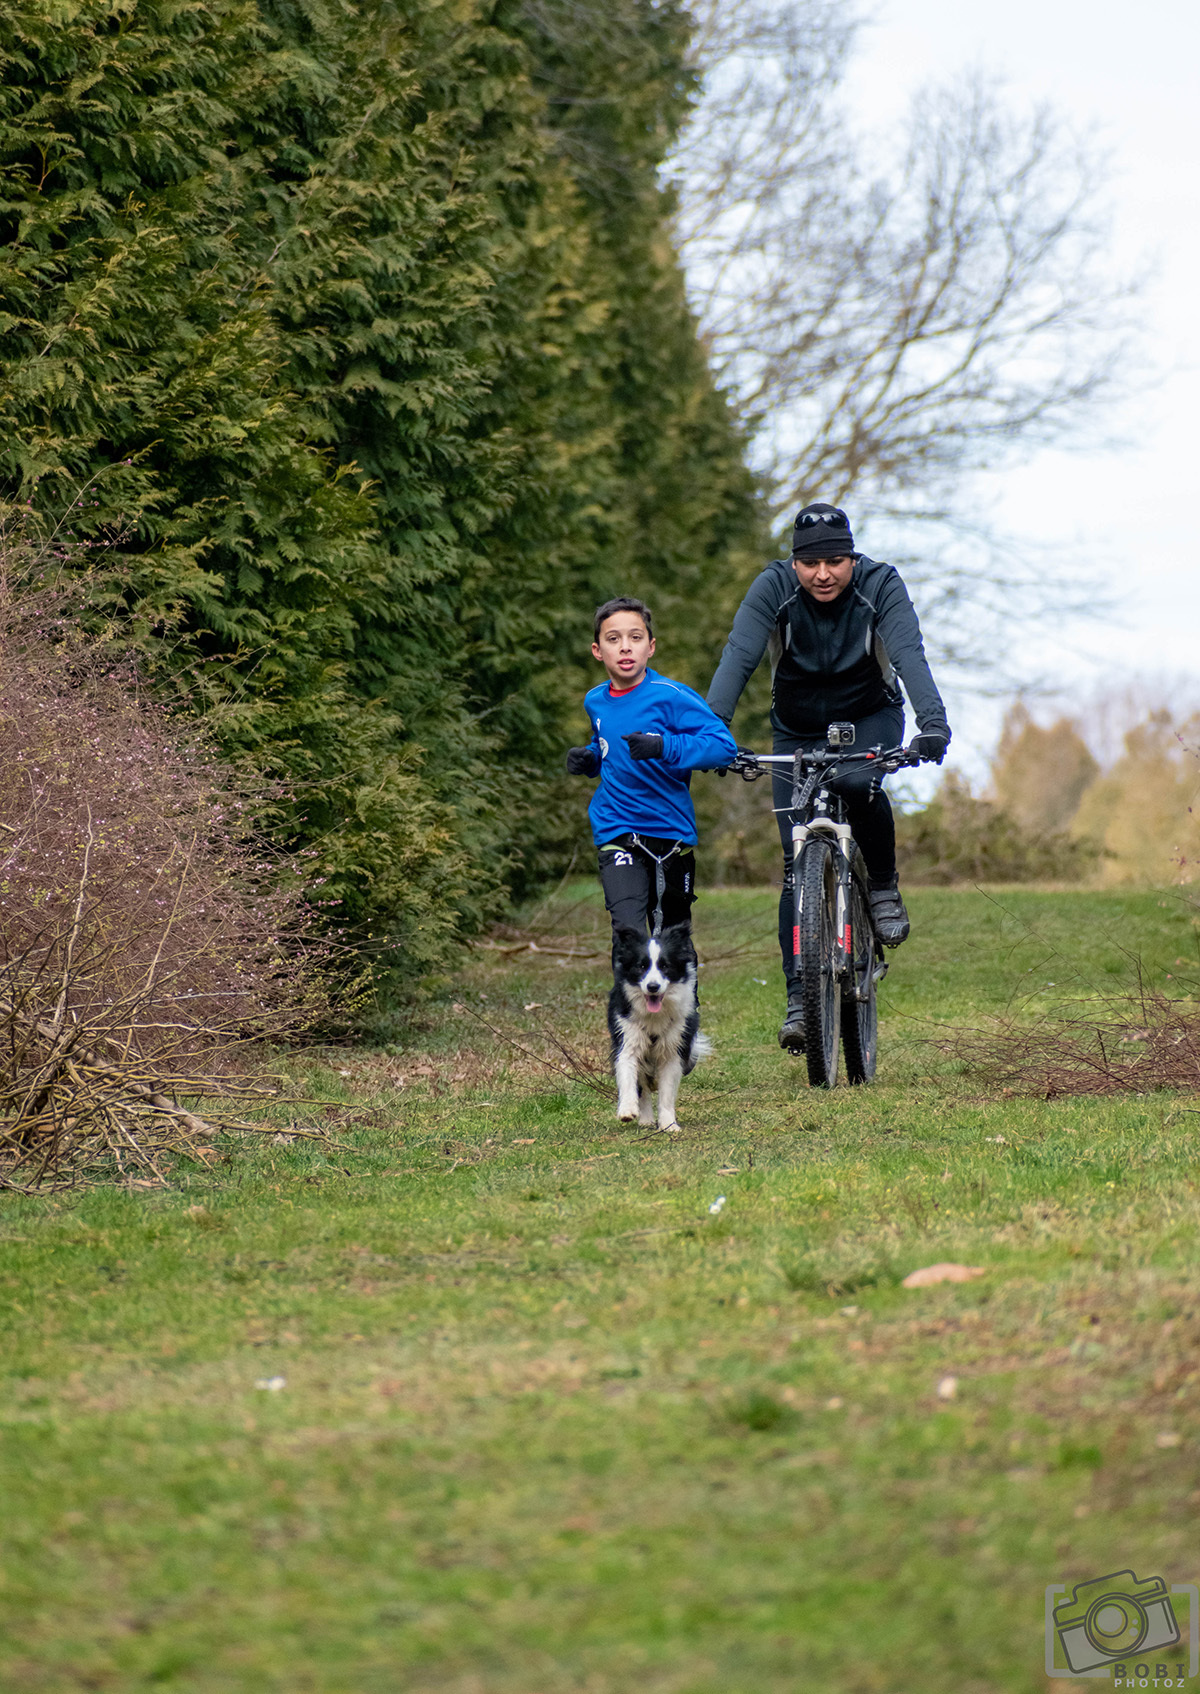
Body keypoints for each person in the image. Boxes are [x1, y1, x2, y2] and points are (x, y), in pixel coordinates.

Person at [706, 502, 951, 1050]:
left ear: (852, 556)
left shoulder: (881, 584)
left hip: (870, 718)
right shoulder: (773, 586)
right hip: (795, 729)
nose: (823, 574)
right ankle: (800, 999)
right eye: (811, 563)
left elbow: (909, 654)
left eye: (836, 561)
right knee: (796, 864)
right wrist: (712, 732)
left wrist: (933, 724)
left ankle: (883, 886)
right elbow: (739, 656)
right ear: (794, 563)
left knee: (851, 783)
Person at [566, 597, 737, 946]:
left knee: (671, 942)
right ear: (598, 651)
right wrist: (589, 758)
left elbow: (723, 747)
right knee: (629, 934)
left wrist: (664, 747)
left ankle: (687, 1002)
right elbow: (605, 744)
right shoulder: (595, 699)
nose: (625, 647)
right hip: (618, 829)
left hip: (670, 833)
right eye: (613, 639)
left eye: (635, 637)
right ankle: (626, 1004)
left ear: (651, 647)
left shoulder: (671, 696)